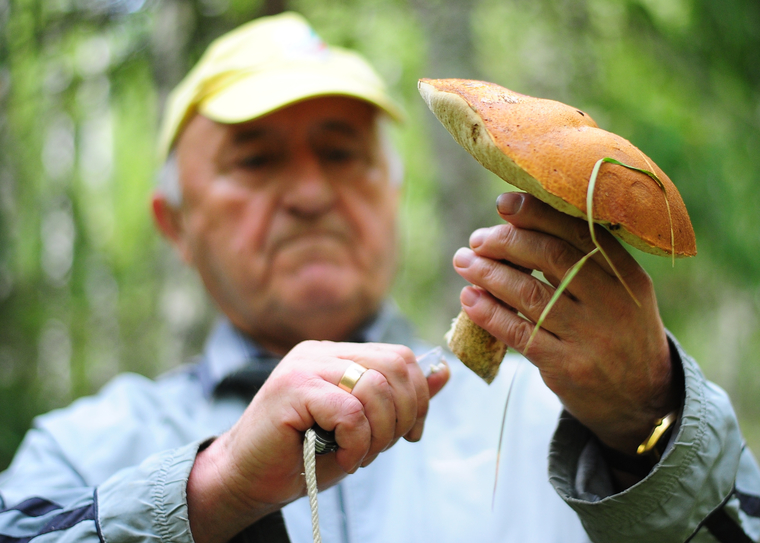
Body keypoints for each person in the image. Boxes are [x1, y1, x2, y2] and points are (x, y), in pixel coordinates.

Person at [1, 11, 758, 543]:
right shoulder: (85, 450)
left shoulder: (563, 421)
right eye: (255, 159)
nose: (309, 192)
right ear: (176, 222)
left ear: (390, 193)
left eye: (341, 152)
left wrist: (648, 423)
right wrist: (211, 492)